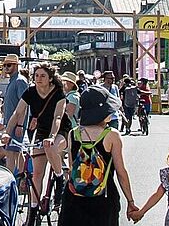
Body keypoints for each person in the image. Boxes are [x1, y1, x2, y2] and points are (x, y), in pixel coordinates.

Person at [46, 86, 138, 226]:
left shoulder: (74, 134)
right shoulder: (111, 135)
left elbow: (72, 167)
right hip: (102, 198)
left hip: (74, 197)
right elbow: (121, 172)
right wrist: (130, 201)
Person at [0, 62, 63, 206]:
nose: (38, 78)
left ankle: (60, 178)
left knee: (50, 148)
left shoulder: (58, 93)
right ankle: (33, 209)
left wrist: (52, 136)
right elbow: (17, 113)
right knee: (37, 174)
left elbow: (58, 117)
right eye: (36, 76)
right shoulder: (30, 92)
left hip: (58, 130)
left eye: (42, 76)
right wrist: (6, 132)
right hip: (41, 130)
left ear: (50, 78)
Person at [0, 54, 29, 169]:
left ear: (16, 66)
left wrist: (20, 125)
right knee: (16, 151)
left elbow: (24, 105)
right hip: (12, 124)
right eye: (5, 65)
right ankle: (21, 177)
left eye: (9, 65)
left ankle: (10, 181)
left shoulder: (20, 81)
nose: (6, 67)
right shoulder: (13, 81)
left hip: (16, 124)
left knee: (11, 153)